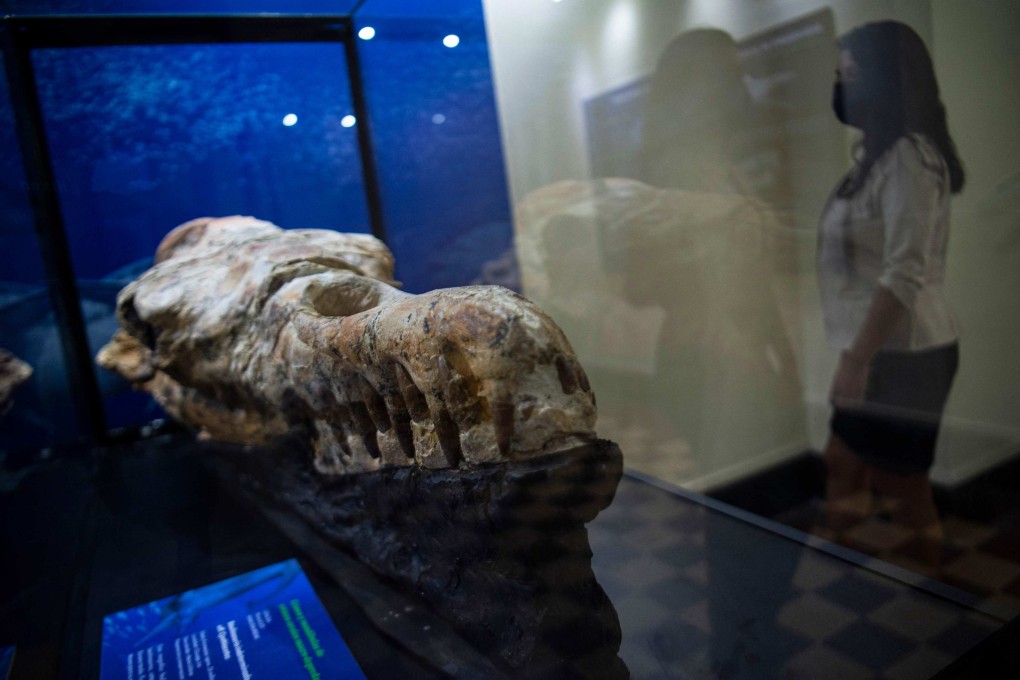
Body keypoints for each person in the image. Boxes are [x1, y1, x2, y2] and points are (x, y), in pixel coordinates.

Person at [818, 21, 965, 552]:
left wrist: (857, 360)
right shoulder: (875, 161)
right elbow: (857, 251)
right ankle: (846, 571)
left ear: (885, 80)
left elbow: (903, 270)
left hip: (906, 352)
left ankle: (934, 605)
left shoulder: (909, 156)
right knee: (844, 462)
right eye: (840, 75)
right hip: (879, 346)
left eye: (850, 75)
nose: (841, 87)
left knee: (900, 483)